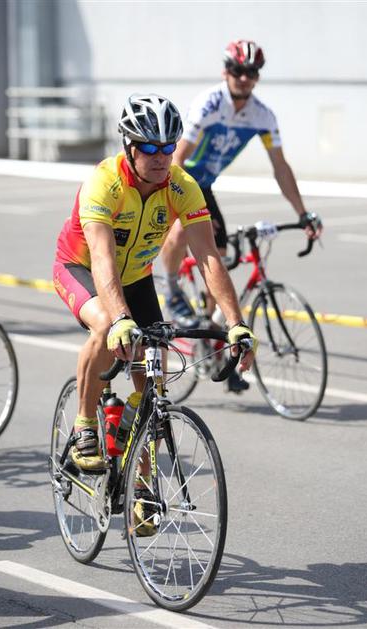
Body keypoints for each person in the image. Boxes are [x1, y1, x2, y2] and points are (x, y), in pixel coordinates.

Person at [53, 93, 258, 481]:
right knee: (105, 325)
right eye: (149, 147)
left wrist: (236, 323)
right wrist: (120, 319)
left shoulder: (182, 186)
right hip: (81, 268)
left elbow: (207, 257)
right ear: (129, 146)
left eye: (168, 147)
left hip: (136, 278)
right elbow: (102, 258)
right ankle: (84, 424)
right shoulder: (104, 183)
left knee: (154, 388)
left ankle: (143, 489)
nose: (161, 156)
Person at [161, 39, 323, 392]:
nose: (244, 77)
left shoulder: (263, 116)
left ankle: (211, 336)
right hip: (180, 179)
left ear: (257, 77)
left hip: (206, 185)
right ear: (226, 72)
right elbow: (178, 160)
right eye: (238, 70)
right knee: (181, 232)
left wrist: (302, 213)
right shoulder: (209, 104)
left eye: (251, 72)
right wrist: (190, 209)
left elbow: (280, 166)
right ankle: (171, 288)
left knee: (217, 258)